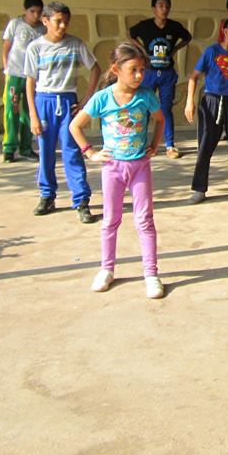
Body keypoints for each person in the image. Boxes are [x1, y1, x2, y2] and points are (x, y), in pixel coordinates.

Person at [69, 42, 167, 298]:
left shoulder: (146, 95)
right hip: (112, 168)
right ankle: (106, 269)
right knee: (110, 220)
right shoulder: (102, 98)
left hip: (140, 167)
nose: (139, 75)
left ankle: (151, 273)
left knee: (145, 220)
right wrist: (90, 152)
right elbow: (75, 126)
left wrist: (155, 146)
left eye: (142, 70)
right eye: (133, 70)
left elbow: (159, 120)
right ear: (116, 69)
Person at [24, 1, 101, 223]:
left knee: (72, 151)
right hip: (44, 101)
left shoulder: (75, 44)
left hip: (68, 101)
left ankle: (81, 200)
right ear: (45, 21)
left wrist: (86, 100)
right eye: (58, 21)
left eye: (66, 22)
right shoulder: (35, 48)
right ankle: (47, 196)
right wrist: (33, 114)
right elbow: (30, 82)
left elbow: (95, 68)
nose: (62, 26)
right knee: (45, 151)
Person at [185, 16, 228, 205]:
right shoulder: (211, 51)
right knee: (205, 147)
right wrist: (190, 101)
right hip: (212, 102)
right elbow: (194, 77)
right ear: (226, 32)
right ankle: (198, 189)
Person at [129, 0, 193, 159]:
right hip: (149, 72)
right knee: (143, 107)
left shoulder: (174, 26)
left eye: (167, 6)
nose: (164, 9)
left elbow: (187, 37)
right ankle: (141, 144)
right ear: (153, 8)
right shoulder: (145, 25)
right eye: (160, 6)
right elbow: (130, 34)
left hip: (166, 73)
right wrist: (142, 50)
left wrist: (175, 49)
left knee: (166, 108)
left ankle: (170, 145)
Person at [1, 0, 44, 163]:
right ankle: (9, 148)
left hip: (32, 77)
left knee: (29, 112)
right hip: (15, 74)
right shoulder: (15, 24)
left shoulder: (42, 29)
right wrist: (6, 70)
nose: (35, 15)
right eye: (32, 11)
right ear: (25, 11)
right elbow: (6, 47)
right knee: (12, 111)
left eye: (38, 12)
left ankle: (26, 148)